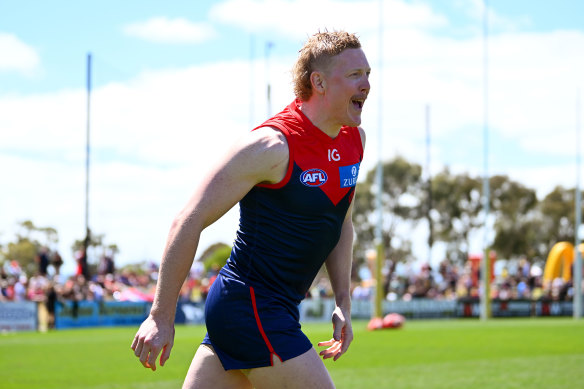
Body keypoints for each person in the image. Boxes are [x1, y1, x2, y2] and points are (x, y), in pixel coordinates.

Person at [131, 30, 371, 388]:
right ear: (318, 82)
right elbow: (189, 218)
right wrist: (160, 316)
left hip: (263, 311)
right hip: (251, 306)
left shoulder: (355, 140)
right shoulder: (270, 146)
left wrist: (343, 301)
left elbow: (342, 223)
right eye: (355, 75)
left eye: (368, 75)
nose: (366, 84)